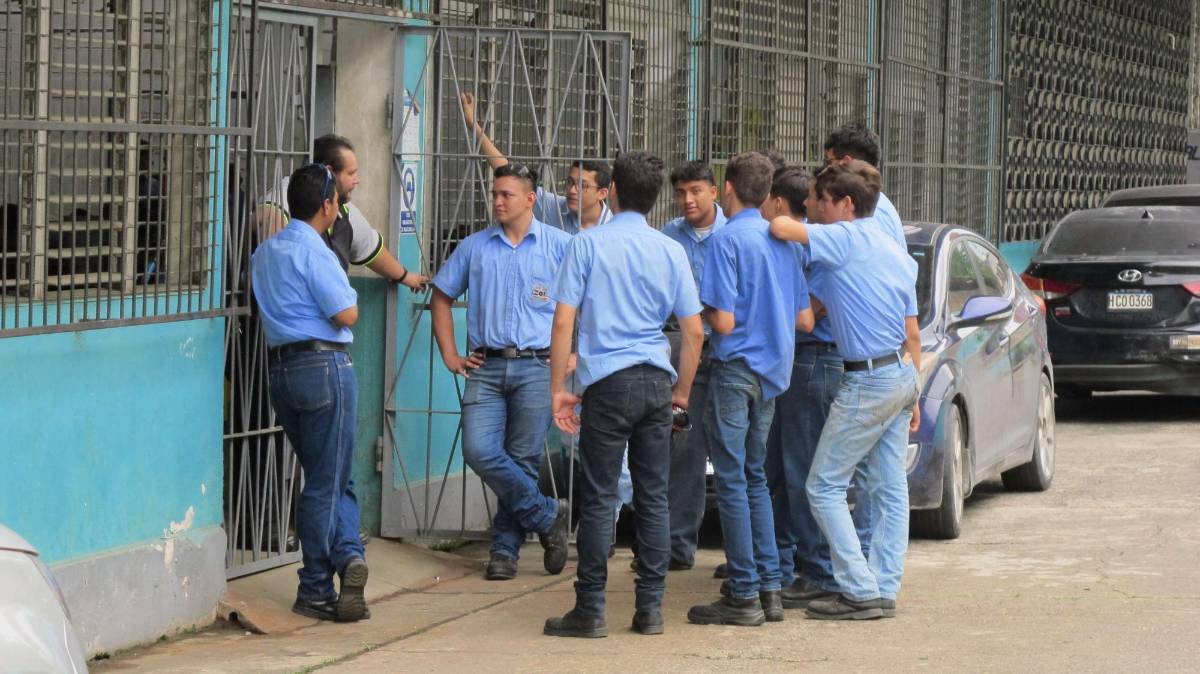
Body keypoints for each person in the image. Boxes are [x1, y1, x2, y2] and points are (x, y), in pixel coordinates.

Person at [544, 151, 704, 638]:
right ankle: (649, 610)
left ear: (610, 192)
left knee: (598, 498)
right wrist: (681, 391)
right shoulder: (670, 250)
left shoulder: (587, 245)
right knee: (654, 499)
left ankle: (590, 610)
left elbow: (563, 320)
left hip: (606, 384)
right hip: (656, 381)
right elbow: (693, 333)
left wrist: (558, 390)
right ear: (656, 200)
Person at [768, 160, 921, 621]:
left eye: (818, 199)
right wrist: (913, 394)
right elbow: (912, 332)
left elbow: (779, 225)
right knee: (890, 488)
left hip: (868, 380)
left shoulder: (846, 237)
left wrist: (782, 209)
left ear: (847, 205)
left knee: (822, 486)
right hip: (900, 372)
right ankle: (883, 586)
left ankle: (856, 587)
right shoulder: (892, 250)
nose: (810, 207)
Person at [687, 152, 815, 628]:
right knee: (755, 476)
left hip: (735, 369)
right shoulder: (783, 240)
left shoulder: (725, 243)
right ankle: (770, 587)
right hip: (773, 374)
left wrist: (694, 310)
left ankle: (743, 592)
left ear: (726, 189)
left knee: (734, 480)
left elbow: (722, 320)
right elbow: (804, 318)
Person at [430, 163, 572, 581]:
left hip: (537, 365)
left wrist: (575, 353)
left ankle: (505, 551)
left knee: (523, 459)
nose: (497, 201)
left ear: (530, 199)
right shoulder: (475, 247)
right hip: (487, 365)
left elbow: (586, 301)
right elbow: (441, 297)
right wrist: (451, 355)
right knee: (478, 449)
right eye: (495, 194)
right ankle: (548, 515)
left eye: (506, 194)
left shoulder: (560, 246)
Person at [251, 164, 369, 623]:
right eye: (337, 200)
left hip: (282, 371)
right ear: (326, 205)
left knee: (330, 475)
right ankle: (316, 585)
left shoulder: (265, 251)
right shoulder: (313, 250)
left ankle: (349, 556)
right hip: (325, 368)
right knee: (326, 481)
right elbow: (347, 313)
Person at [759, 165, 844, 610]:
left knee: (805, 475)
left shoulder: (821, 248)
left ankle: (819, 572)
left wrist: (764, 312)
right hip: (796, 364)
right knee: (781, 473)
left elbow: (808, 314)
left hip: (813, 363)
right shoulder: (802, 244)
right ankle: (787, 563)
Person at [658, 160, 725, 571]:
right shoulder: (669, 236)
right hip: (686, 354)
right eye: (681, 192)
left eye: (696, 191)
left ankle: (741, 554)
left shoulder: (732, 234)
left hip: (727, 353)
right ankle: (677, 547)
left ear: (714, 192)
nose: (688, 200)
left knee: (732, 452)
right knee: (683, 451)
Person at [259, 134, 430, 290]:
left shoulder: (343, 210)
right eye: (351, 173)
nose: (357, 180)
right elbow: (266, 217)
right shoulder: (290, 192)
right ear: (330, 172)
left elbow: (370, 247)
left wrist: (407, 277)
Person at [461, 93, 612, 233]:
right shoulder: (556, 208)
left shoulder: (613, 229)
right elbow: (510, 174)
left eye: (582, 186)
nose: (572, 190)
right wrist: (472, 124)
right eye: (570, 182)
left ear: (602, 193)